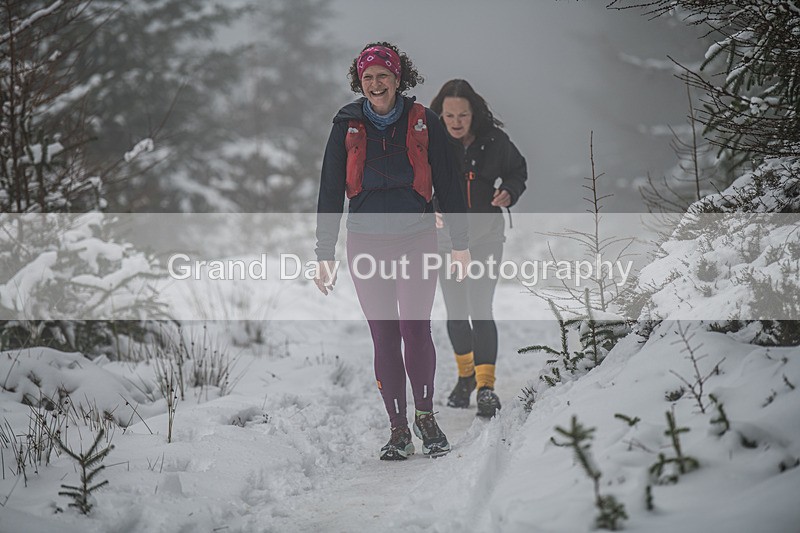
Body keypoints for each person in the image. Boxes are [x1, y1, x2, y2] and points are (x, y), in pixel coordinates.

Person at [314, 43, 470, 460]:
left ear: (398, 78)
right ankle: (398, 429)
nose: (376, 83)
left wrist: (461, 243)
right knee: (383, 334)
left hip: (416, 238)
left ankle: (425, 417)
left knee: (414, 328)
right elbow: (330, 190)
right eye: (367, 77)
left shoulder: (425, 121)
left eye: (383, 75)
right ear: (358, 82)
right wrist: (324, 252)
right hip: (365, 241)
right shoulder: (345, 125)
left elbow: (451, 185)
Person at [430, 79, 528, 418]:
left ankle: (486, 387)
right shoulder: (431, 141)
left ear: (474, 114)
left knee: (480, 307)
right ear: (439, 115)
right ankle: (465, 377)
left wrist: (510, 191)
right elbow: (415, 182)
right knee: (456, 313)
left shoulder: (495, 142)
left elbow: (518, 170)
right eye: (449, 115)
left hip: (485, 239)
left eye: (463, 115)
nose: (456, 122)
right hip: (445, 242)